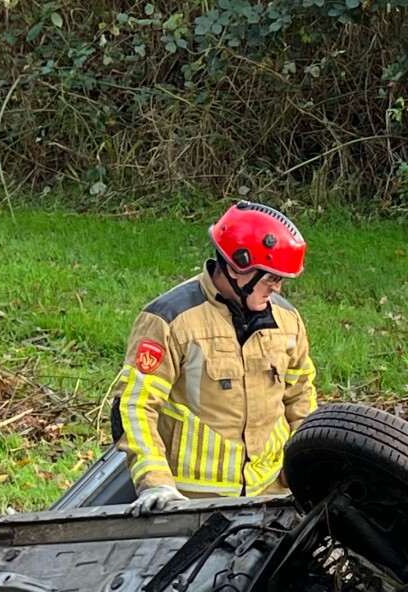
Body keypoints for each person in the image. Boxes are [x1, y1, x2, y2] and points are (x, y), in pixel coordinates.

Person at [110, 201, 318, 515]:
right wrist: (156, 483)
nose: (278, 287)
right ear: (238, 267)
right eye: (271, 278)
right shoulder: (170, 319)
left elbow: (301, 394)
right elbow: (134, 406)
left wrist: (302, 462)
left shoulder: (287, 319)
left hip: (271, 498)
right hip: (193, 506)